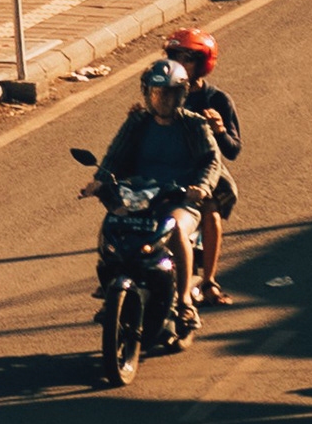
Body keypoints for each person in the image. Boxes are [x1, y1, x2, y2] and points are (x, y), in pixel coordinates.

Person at [99, 37, 242, 303]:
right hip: (153, 179)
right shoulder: (156, 99)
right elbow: (118, 154)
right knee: (119, 213)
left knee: (209, 214)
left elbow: (230, 151)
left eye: (187, 57)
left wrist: (220, 131)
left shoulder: (216, 100)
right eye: (176, 56)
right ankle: (118, 269)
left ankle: (207, 282)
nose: (180, 62)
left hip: (198, 173)